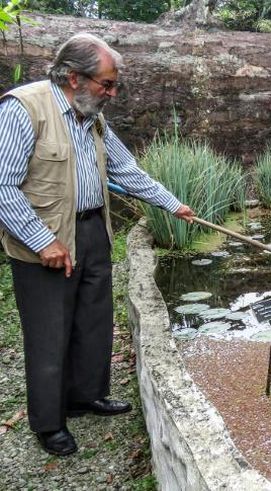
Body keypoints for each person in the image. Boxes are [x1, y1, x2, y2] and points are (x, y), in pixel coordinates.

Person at [0, 33, 195, 456]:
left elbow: (126, 169)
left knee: (93, 319)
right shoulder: (24, 108)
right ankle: (49, 424)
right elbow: (3, 187)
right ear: (74, 77)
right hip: (45, 239)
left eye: (113, 84)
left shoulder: (93, 118)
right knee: (50, 332)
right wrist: (42, 241)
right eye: (107, 84)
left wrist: (173, 204)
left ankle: (86, 395)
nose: (112, 92)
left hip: (92, 231)